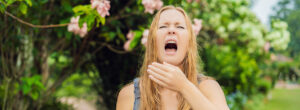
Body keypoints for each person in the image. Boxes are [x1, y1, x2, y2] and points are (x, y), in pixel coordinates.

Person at [116, 6, 229, 110]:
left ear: (189, 44)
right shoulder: (129, 94)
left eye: (179, 26)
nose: (171, 30)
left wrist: (184, 86)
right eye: (163, 26)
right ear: (152, 42)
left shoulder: (208, 88)